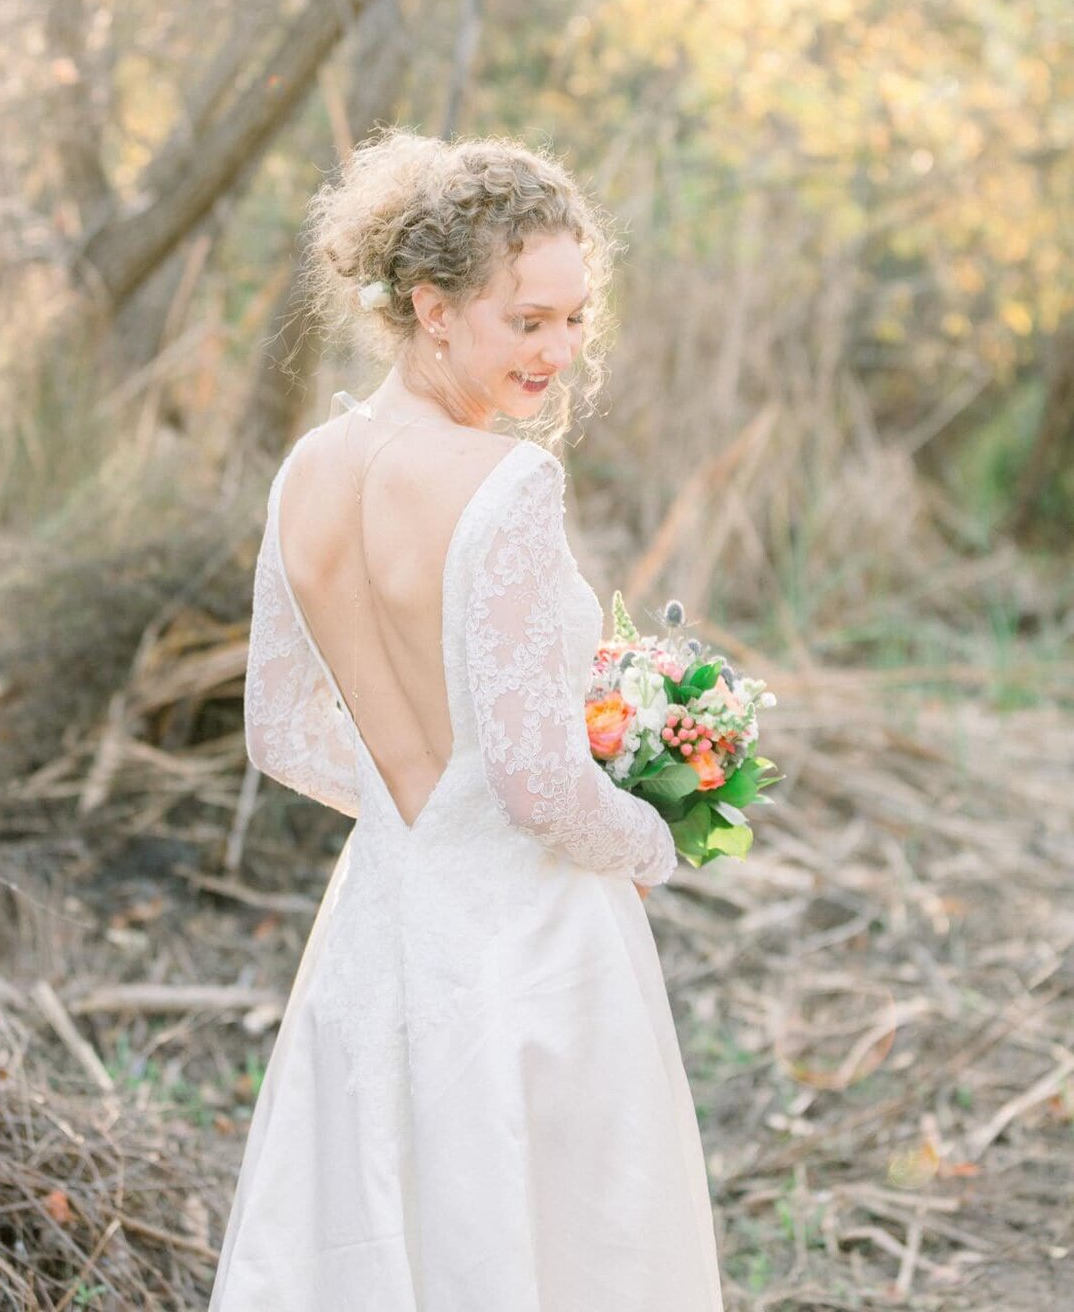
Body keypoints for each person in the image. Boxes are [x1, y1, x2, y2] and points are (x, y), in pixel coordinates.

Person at [208, 130, 725, 1312]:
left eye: (572, 319)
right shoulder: (504, 484)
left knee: (383, 1225)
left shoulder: (307, 471)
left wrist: (419, 813)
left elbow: (283, 734)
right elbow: (538, 783)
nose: (555, 351)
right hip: (527, 938)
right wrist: (654, 841)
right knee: (553, 1237)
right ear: (434, 308)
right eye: (525, 321)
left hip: (382, 917)